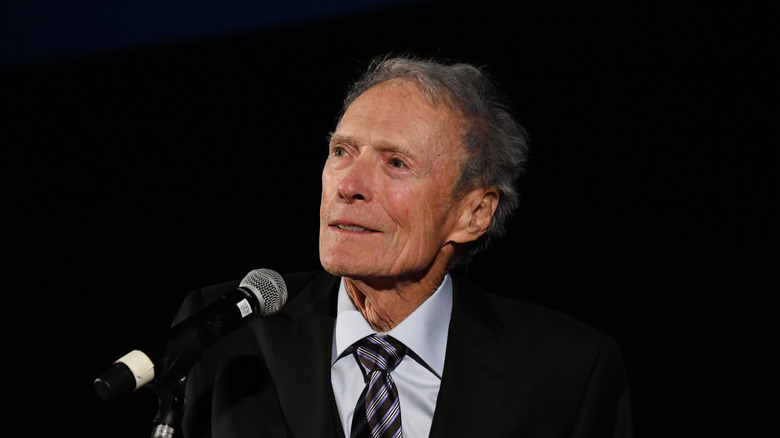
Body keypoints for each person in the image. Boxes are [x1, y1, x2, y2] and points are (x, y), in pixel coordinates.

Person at [172, 55, 633, 438]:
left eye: (396, 163)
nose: (348, 185)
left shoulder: (568, 371)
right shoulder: (224, 329)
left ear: (473, 213)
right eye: (342, 152)